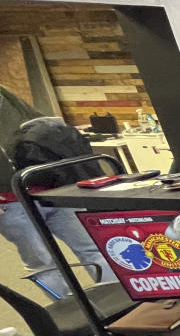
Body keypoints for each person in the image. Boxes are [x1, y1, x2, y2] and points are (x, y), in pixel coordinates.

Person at [0, 108, 117, 299]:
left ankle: (117, 299)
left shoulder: (5, 96)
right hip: (13, 201)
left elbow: (41, 121)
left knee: (91, 248)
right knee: (43, 262)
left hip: (51, 188)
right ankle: (67, 309)